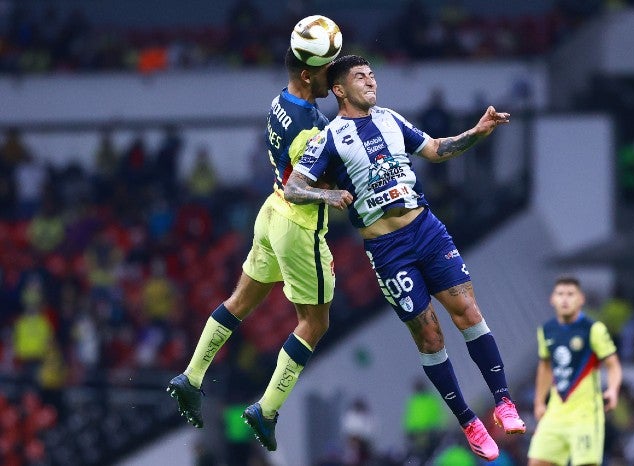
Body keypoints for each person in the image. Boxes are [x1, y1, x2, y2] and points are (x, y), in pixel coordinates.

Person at [284, 54, 525, 462]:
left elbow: (434, 149)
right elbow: (293, 188)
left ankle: (503, 402)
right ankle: (468, 421)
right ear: (340, 89)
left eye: (372, 74)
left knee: (467, 310)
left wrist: (478, 131)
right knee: (429, 335)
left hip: (426, 230)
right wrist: (328, 194)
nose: (370, 80)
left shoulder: (391, 119)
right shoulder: (329, 137)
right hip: (388, 249)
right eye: (360, 76)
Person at [166, 44, 352, 452]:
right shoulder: (314, 126)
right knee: (315, 323)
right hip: (299, 223)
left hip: (270, 213)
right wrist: (332, 193)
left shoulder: (280, 100)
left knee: (241, 300)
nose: (332, 78)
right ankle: (266, 410)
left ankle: (191, 377)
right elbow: (300, 187)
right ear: (307, 74)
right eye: (326, 71)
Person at [527, 275, 623, 466]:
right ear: (552, 299)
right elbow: (545, 367)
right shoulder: (546, 330)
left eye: (570, 294)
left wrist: (612, 390)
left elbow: (613, 365)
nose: (564, 299)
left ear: (581, 299)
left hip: (585, 415)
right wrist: (539, 402)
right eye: (560, 294)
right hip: (555, 413)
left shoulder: (594, 329)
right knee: (536, 462)